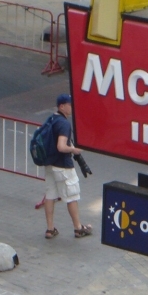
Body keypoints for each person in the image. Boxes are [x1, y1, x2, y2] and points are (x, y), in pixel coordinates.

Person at [43, 93, 92, 239]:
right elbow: (61, 146)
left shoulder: (52, 119)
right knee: (72, 196)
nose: (72, 107)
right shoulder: (64, 124)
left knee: (50, 195)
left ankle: (50, 229)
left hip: (49, 164)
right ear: (62, 106)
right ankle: (78, 228)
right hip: (63, 166)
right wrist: (73, 150)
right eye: (70, 105)